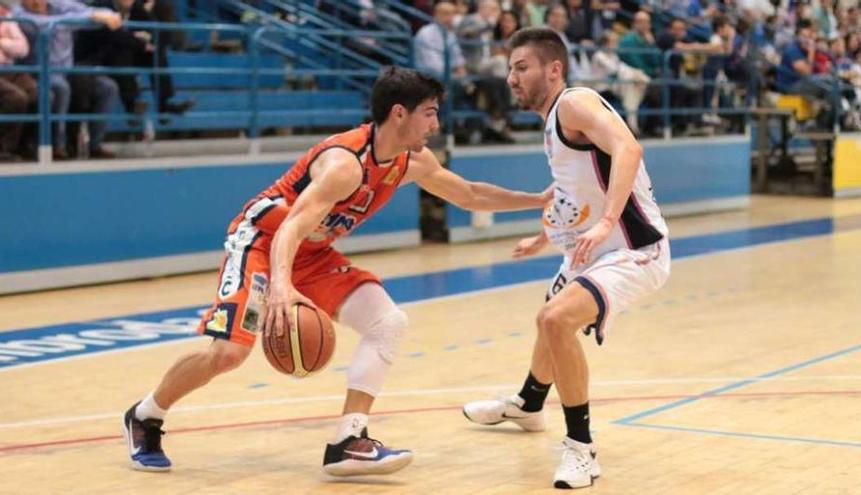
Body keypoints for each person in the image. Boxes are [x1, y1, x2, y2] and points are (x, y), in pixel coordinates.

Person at [122, 66, 552, 475]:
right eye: (429, 113)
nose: (435, 125)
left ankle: (349, 441)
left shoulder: (411, 161)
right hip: (261, 242)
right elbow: (290, 227)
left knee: (388, 322)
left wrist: (538, 199)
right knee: (229, 353)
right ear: (399, 113)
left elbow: (471, 195)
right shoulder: (344, 164)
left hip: (311, 250)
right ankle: (146, 415)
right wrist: (281, 287)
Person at [462, 27, 670, 489]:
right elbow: (573, 185)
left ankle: (581, 449)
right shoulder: (556, 119)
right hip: (592, 249)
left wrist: (605, 221)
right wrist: (544, 235)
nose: (512, 78)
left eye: (522, 68)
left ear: (553, 69)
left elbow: (628, 149)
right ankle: (530, 403)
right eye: (509, 70)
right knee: (547, 322)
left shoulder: (575, 103)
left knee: (557, 320)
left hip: (634, 248)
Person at [13, 0, 122, 159]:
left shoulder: (59, 6)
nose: (37, 1)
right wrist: (89, 17)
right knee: (60, 87)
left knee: (107, 87)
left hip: (68, 68)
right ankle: (57, 146)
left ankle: (94, 145)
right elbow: (42, 25)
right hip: (38, 70)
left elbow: (99, 14)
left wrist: (103, 16)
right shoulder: (18, 13)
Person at [0, 2, 36, 161]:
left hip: (8, 68)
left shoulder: (5, 16)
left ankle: (24, 145)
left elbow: (23, 48)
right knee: (16, 97)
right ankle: (3, 148)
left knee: (40, 94)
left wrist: (2, 42)